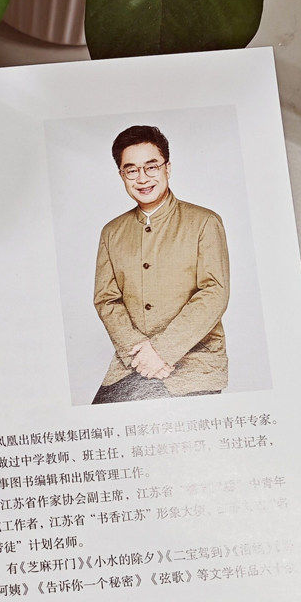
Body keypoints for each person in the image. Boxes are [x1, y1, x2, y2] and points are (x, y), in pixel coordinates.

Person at [92, 125, 229, 404]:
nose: (142, 178)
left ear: (168, 168)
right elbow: (106, 299)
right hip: (132, 363)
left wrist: (162, 351)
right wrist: (139, 352)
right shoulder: (112, 232)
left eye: (151, 167)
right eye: (131, 170)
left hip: (195, 363)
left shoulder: (204, 222)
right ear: (121, 175)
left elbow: (214, 293)